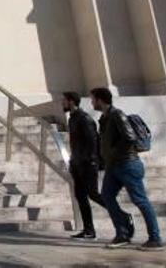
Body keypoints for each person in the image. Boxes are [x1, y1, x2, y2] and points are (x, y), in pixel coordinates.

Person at [91, 87, 163, 251]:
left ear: (100, 100)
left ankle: (155, 238)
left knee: (140, 200)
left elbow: (129, 137)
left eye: (93, 99)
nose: (92, 102)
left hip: (127, 164)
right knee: (107, 197)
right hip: (113, 166)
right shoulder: (104, 118)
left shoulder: (117, 115)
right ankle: (122, 233)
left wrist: (114, 152)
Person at [62, 91, 106, 240]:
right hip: (77, 163)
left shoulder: (84, 118)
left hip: (88, 164)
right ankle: (89, 230)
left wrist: (91, 161)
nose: (62, 103)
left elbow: (93, 141)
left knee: (93, 194)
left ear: (71, 102)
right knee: (80, 196)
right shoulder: (72, 119)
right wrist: (74, 161)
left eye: (64, 101)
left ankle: (122, 215)